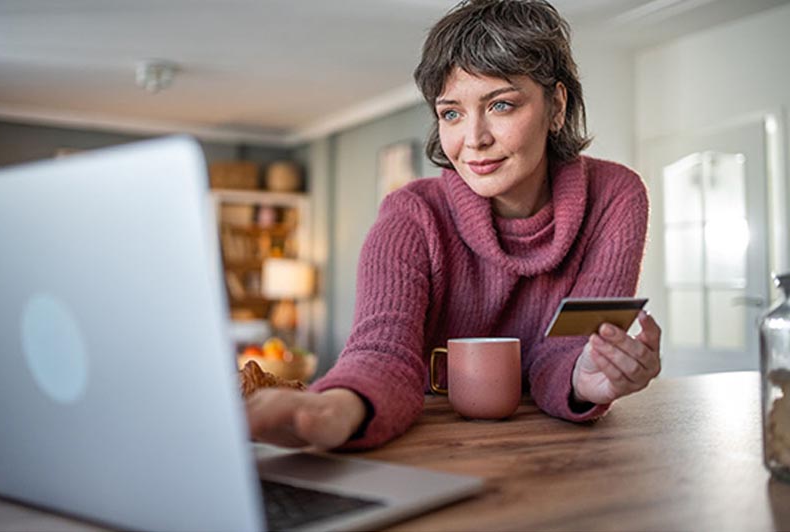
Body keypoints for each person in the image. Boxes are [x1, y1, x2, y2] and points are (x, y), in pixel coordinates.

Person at [246, 0, 661, 450]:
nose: (474, 140)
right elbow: (383, 351)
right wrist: (332, 409)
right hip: (430, 447)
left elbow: (567, 351)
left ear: (556, 106)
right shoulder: (409, 216)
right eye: (451, 113)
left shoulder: (615, 197)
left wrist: (586, 376)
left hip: (556, 452)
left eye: (501, 105)